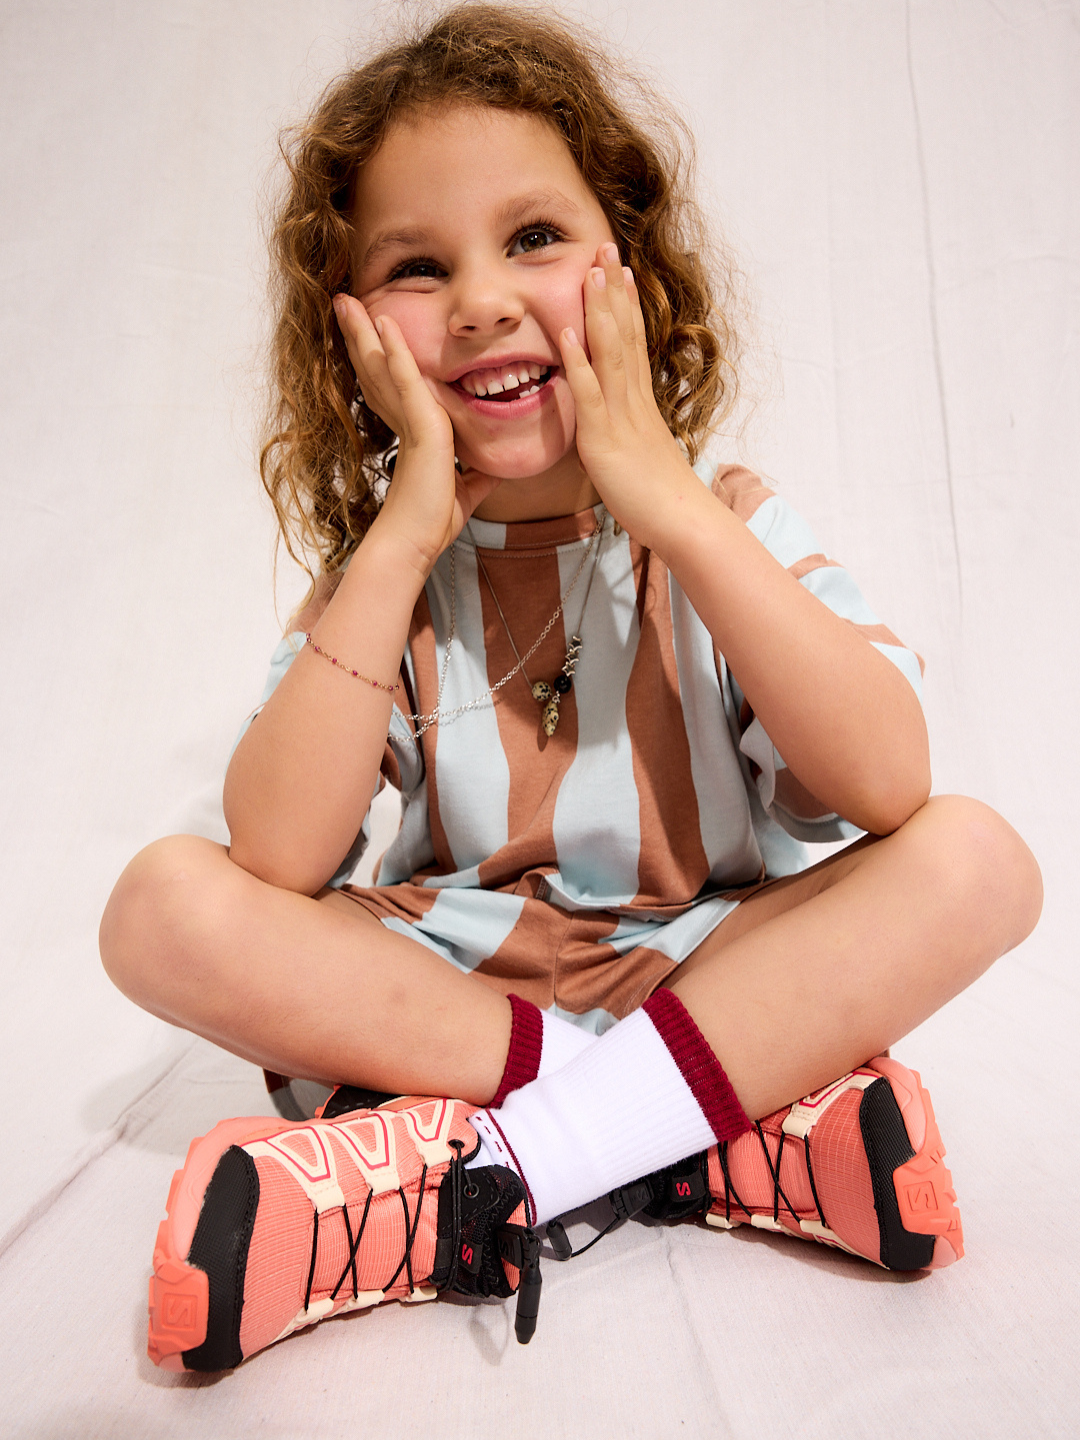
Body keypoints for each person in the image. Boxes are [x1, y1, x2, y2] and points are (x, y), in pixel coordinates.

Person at [99, 2, 1042, 1373]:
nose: (483, 299)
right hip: (460, 1003)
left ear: (631, 273)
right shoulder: (388, 577)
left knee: (976, 860)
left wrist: (673, 507)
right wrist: (401, 539)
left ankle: (484, 1169)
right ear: (350, 333)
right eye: (418, 266)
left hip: (711, 973)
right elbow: (279, 855)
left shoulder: (721, 525)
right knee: (160, 907)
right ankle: (694, 1137)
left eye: (532, 237)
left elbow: (889, 782)